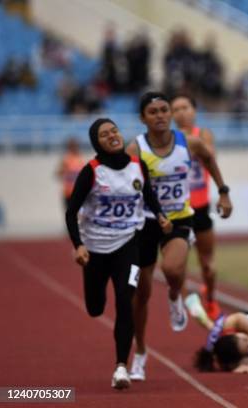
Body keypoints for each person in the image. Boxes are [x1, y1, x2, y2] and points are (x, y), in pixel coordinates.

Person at [126, 91, 233, 382]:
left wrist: (223, 193)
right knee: (141, 294)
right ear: (143, 118)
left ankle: (175, 295)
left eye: (164, 110)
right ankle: (140, 352)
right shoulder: (135, 149)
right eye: (154, 111)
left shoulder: (190, 142)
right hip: (145, 223)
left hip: (180, 218)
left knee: (173, 269)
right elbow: (122, 183)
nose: (160, 116)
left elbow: (210, 160)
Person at [65, 118, 171, 389]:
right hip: (95, 248)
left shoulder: (138, 165)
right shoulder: (92, 170)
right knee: (95, 307)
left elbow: (148, 195)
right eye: (104, 134)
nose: (112, 136)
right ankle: (92, 284)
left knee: (126, 299)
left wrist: (160, 215)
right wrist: (78, 245)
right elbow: (71, 211)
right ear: (96, 142)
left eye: (114, 131)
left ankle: (121, 367)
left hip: (128, 244)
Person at [170, 94, 222, 320]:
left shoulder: (204, 135)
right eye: (176, 109)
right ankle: (182, 306)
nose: (181, 112)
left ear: (194, 110)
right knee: (177, 266)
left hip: (201, 208)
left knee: (208, 266)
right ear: (170, 115)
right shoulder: (166, 139)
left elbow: (210, 158)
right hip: (176, 211)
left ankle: (210, 298)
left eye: (185, 107)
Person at [56, 137, 86, 210]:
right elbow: (58, 174)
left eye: (76, 146)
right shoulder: (66, 158)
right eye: (72, 146)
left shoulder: (80, 158)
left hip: (79, 192)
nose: (74, 148)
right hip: (68, 193)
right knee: (70, 215)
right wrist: (67, 173)